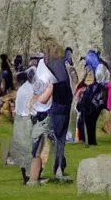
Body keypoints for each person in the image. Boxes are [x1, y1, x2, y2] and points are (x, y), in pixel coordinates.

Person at [44, 39, 75, 182]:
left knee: (58, 138)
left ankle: (58, 167)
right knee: (59, 139)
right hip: (61, 104)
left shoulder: (48, 65)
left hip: (56, 104)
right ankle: (58, 168)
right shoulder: (62, 64)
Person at [27, 52, 57, 185]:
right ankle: (33, 179)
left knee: (37, 148)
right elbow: (42, 100)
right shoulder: (42, 81)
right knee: (38, 149)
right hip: (41, 116)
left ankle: (33, 177)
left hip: (36, 116)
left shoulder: (33, 84)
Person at [8, 69, 35, 179]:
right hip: (28, 119)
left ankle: (26, 172)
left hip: (21, 120)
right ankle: (29, 173)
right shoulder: (30, 88)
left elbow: (18, 109)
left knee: (23, 148)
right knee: (29, 147)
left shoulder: (21, 90)